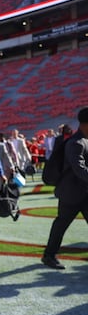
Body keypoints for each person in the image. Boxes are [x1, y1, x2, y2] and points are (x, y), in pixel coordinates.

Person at [42, 107, 88, 270]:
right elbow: (79, 168)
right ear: (84, 124)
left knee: (60, 224)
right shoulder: (75, 143)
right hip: (71, 194)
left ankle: (49, 255)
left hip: (83, 192)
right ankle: (49, 255)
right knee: (61, 225)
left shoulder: (84, 140)